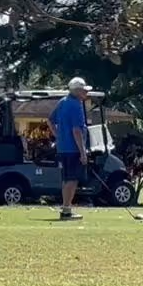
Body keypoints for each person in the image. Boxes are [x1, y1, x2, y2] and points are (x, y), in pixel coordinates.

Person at [51, 77, 92, 221]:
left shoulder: (62, 102)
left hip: (62, 148)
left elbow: (50, 120)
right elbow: (77, 130)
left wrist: (59, 136)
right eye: (84, 90)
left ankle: (66, 208)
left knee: (67, 179)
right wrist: (82, 152)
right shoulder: (76, 105)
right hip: (72, 149)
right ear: (77, 91)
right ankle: (66, 210)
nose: (86, 93)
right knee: (72, 179)